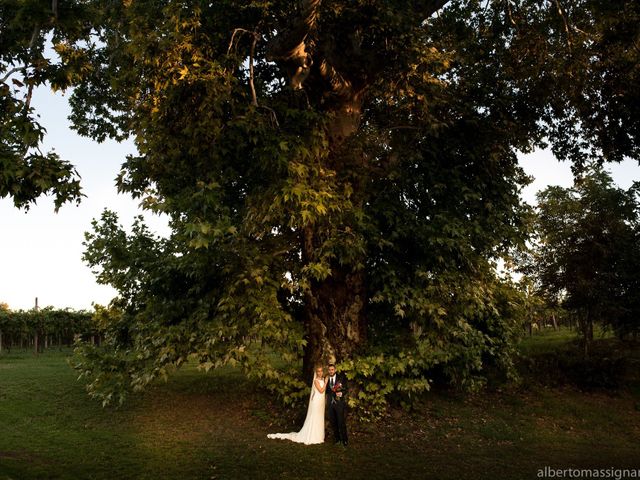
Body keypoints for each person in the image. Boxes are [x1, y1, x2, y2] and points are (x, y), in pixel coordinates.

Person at [267, 365, 326, 444]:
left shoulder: (322, 379)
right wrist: (326, 383)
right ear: (316, 372)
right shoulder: (316, 381)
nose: (320, 373)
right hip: (316, 401)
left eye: (321, 371)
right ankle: (313, 435)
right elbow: (321, 391)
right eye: (318, 371)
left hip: (321, 402)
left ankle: (319, 435)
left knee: (319, 416)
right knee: (315, 416)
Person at [326, 363, 348, 446]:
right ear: (328, 371)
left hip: (339, 403)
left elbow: (346, 389)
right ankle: (337, 439)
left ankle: (344, 440)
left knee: (341, 422)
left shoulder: (341, 378)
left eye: (332, 370)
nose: (331, 371)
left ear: (335, 370)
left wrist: (341, 393)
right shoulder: (326, 379)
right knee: (333, 422)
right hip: (330, 404)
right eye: (329, 370)